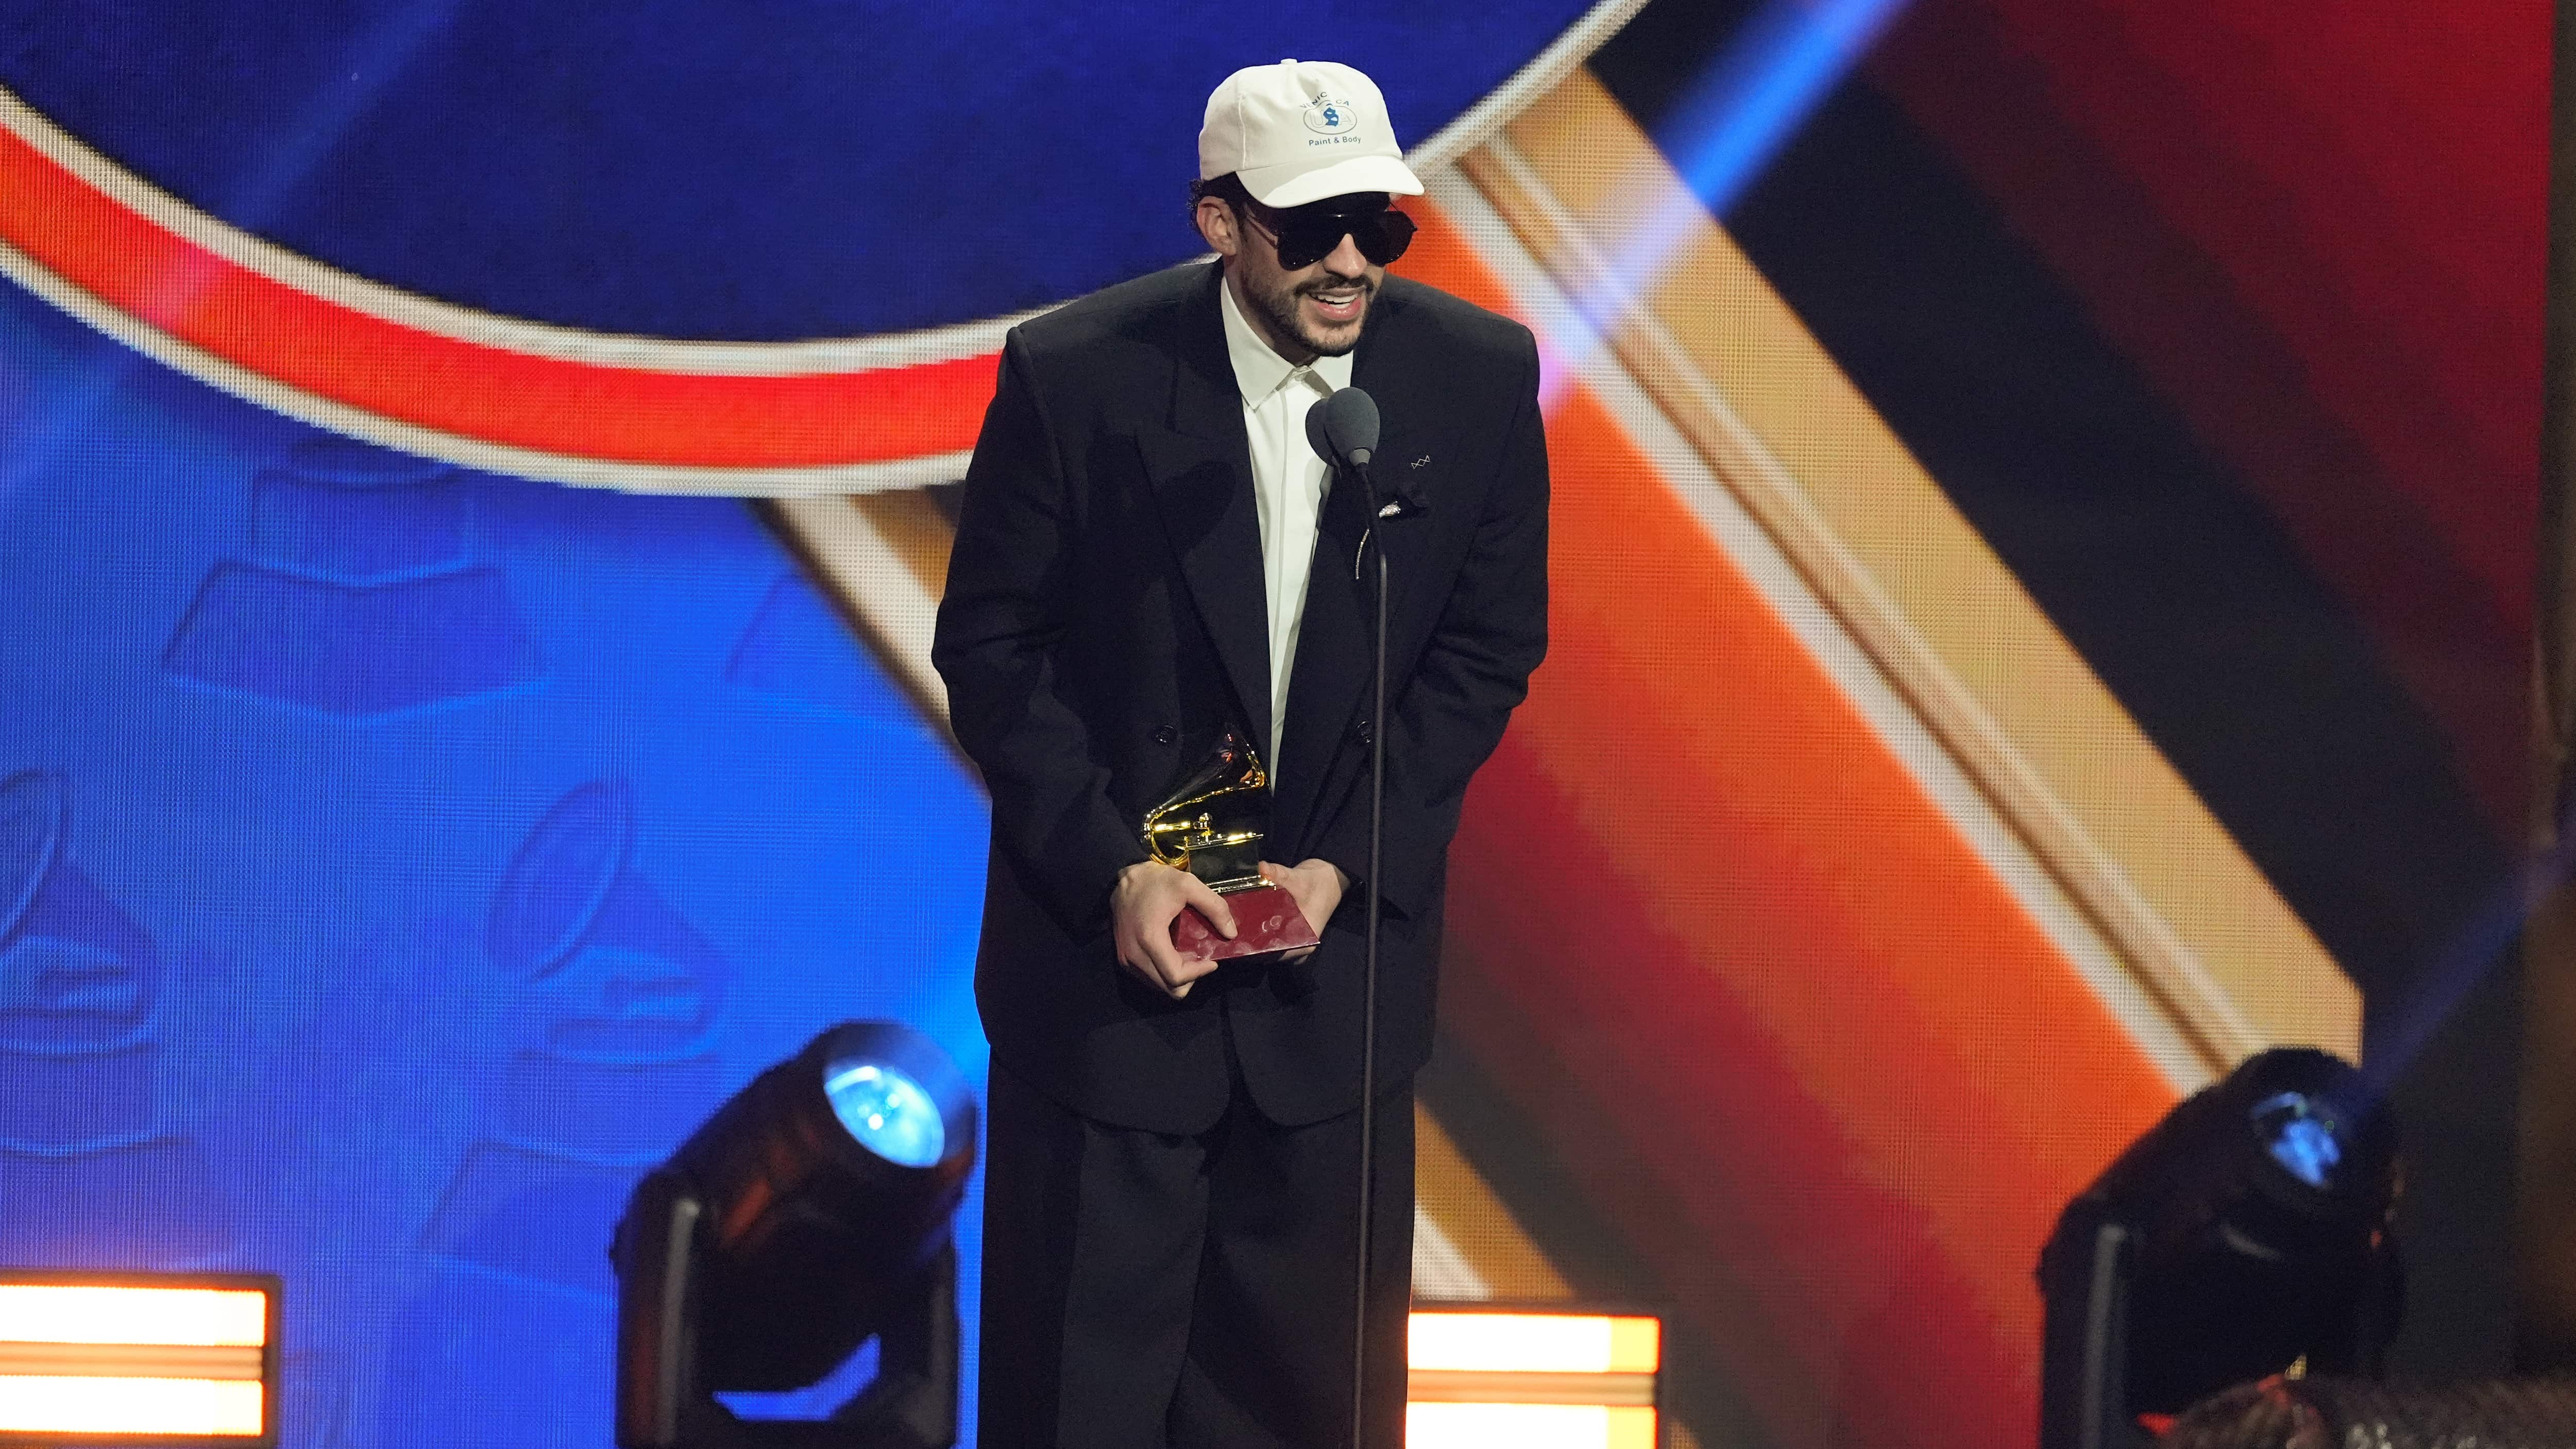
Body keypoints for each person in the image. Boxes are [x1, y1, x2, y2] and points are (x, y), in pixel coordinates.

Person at [932, 57, 1548, 1448]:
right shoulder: (1080, 376)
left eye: (1379, 227)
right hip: (1108, 1001)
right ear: (1219, 221)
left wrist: (1344, 863)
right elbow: (994, 648)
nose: (1349, 261)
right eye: (1311, 224)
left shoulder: (1474, 382)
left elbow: (1484, 655)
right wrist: (1117, 874)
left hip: (1334, 1008)